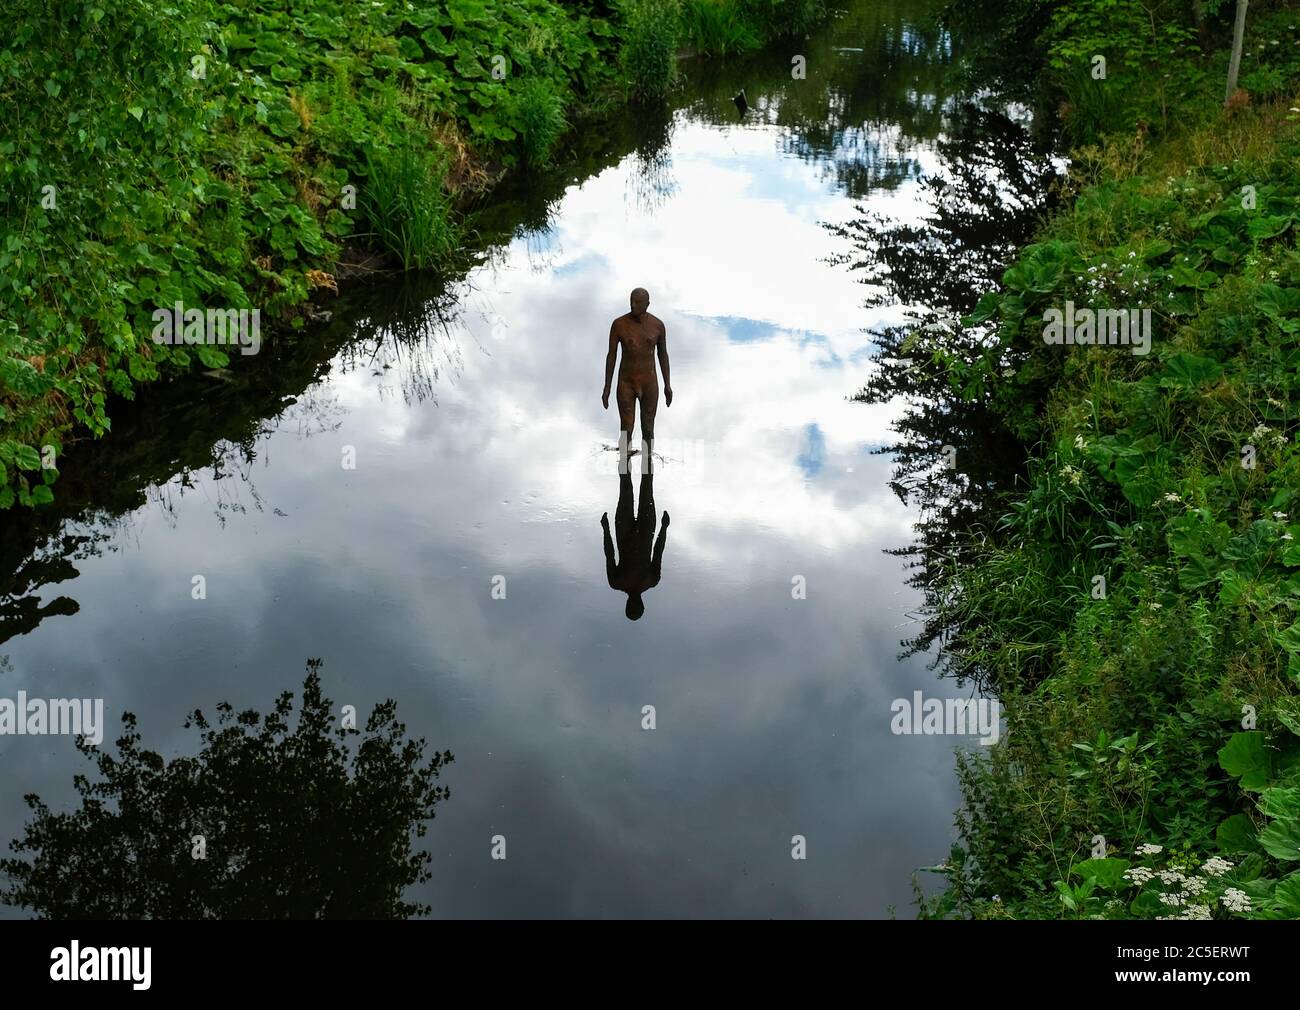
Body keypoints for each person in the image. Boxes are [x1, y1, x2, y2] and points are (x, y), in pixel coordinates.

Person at [602, 288, 672, 472]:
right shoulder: (619, 324)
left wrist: (667, 385)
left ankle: (647, 474)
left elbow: (663, 355)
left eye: (638, 302)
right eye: (631, 301)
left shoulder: (657, 326)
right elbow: (611, 356)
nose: (633, 305)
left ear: (647, 304)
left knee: (648, 428)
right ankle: (624, 479)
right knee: (626, 427)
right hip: (626, 383)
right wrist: (607, 387)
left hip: (650, 384)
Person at [601, 473, 669, 621]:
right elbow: (658, 552)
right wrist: (664, 528)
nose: (634, 603)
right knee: (646, 484)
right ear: (642, 605)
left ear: (627, 604)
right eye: (636, 606)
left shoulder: (617, 582)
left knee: (627, 485)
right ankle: (645, 451)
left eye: (632, 606)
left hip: (625, 530)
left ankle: (627, 452)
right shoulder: (652, 580)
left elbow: (610, 555)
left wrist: (606, 530)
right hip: (645, 529)